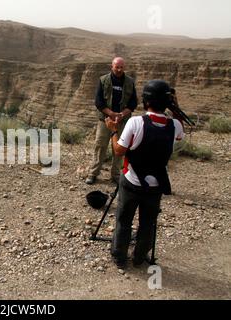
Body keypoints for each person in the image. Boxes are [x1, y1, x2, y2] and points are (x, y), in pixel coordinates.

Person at [104, 79, 185, 269]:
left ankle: (119, 256)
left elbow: (118, 150)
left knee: (124, 220)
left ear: (146, 101)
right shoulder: (175, 126)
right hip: (156, 184)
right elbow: (180, 133)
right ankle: (140, 257)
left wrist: (114, 131)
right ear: (167, 102)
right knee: (148, 223)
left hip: (131, 181)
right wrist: (175, 106)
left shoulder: (136, 122)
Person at [86, 57, 138, 185]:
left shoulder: (130, 82)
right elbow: (98, 101)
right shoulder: (103, 80)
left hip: (122, 121)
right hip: (106, 120)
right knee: (100, 146)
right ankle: (93, 173)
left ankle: (115, 175)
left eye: (121, 67)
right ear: (112, 67)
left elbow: (133, 102)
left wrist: (122, 114)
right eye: (117, 67)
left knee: (119, 149)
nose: (119, 69)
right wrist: (111, 114)